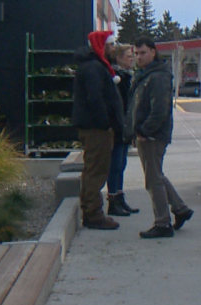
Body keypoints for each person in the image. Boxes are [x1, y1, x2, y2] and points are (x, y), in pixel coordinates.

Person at [128, 37, 194, 238]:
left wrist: (145, 131)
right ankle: (180, 208)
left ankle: (162, 223)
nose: (139, 57)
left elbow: (160, 109)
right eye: (136, 53)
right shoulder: (146, 74)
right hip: (148, 134)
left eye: (143, 53)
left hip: (152, 136)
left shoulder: (157, 77)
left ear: (153, 52)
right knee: (156, 174)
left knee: (152, 179)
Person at [71, 30, 124, 230]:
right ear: (102, 45)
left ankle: (91, 210)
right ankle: (93, 214)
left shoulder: (92, 66)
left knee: (93, 169)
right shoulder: (94, 67)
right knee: (97, 170)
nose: (113, 48)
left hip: (95, 127)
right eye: (110, 45)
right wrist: (105, 123)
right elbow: (95, 99)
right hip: (96, 128)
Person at [105, 43, 141, 217]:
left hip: (125, 126)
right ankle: (113, 200)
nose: (132, 58)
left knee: (122, 164)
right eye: (129, 56)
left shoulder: (128, 76)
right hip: (118, 126)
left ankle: (119, 196)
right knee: (116, 164)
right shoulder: (116, 78)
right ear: (119, 58)